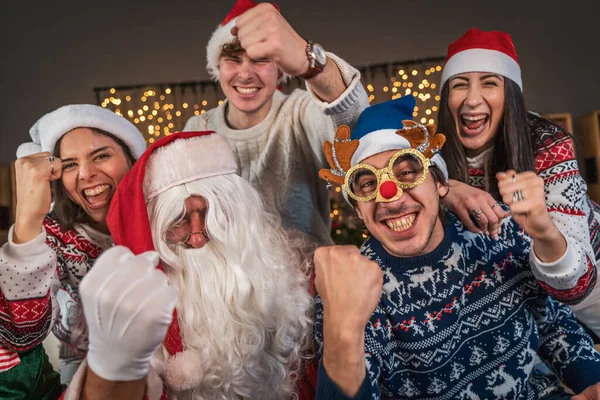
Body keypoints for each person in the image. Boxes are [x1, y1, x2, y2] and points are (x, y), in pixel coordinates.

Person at [313, 97, 600, 399]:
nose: (392, 198)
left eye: (408, 172)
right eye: (367, 184)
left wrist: (592, 383)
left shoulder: (496, 229)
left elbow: (553, 323)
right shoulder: (352, 286)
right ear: (357, 208)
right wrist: (342, 330)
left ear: (440, 184)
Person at [61, 131, 314, 400]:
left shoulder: (296, 284)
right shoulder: (131, 305)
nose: (195, 238)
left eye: (210, 216)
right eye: (178, 221)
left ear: (239, 215)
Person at [436, 28, 600, 337]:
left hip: (590, 281)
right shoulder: (433, 155)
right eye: (459, 85)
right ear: (447, 99)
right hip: (517, 293)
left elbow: (577, 287)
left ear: (509, 94)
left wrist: (543, 229)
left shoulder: (549, 144)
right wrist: (447, 188)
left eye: (489, 83)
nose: (472, 99)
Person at [184, 0, 369, 246]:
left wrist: (312, 66)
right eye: (233, 60)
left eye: (261, 60)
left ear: (280, 70)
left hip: (305, 280)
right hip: (228, 281)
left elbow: (356, 130)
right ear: (218, 67)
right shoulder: (198, 129)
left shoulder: (299, 112)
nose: (246, 73)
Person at [0, 104, 146, 396]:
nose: (86, 174)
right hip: (86, 371)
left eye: (101, 156)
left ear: (133, 159)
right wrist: (28, 222)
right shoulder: (53, 235)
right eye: (69, 165)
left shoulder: (167, 218)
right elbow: (22, 332)